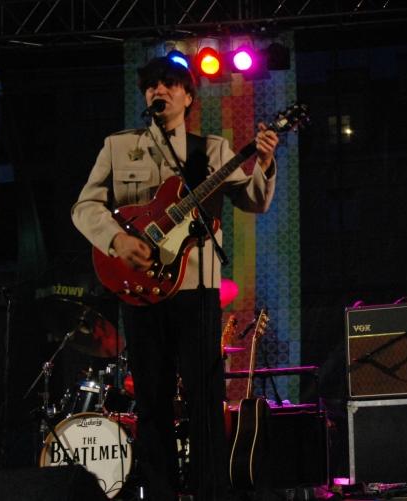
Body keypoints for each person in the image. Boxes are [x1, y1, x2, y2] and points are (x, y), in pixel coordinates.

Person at [72, 56, 278, 500]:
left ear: (187, 97)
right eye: (151, 86)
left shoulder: (213, 150)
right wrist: (117, 240)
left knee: (205, 397)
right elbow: (84, 206)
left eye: (169, 84)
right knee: (152, 398)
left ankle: (212, 492)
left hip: (195, 288)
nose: (158, 91)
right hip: (140, 289)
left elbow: (254, 201)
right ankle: (161, 492)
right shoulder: (118, 147)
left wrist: (263, 163)